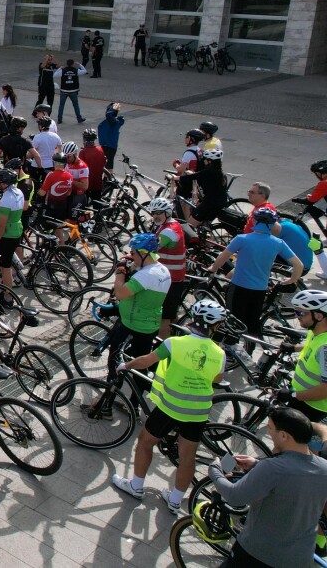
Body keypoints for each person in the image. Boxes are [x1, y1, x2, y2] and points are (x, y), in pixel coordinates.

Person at [110, 299, 230, 515]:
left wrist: (126, 365)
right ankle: (175, 500)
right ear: (216, 326)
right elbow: (217, 378)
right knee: (187, 457)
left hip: (170, 406)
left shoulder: (175, 343)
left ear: (194, 319)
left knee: (145, 442)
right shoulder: (220, 354)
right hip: (198, 411)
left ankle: (136, 486)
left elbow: (147, 361)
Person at [207, 407, 327, 568]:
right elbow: (295, 479)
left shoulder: (273, 468)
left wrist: (215, 472)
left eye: (270, 428)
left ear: (284, 435)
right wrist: (256, 465)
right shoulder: (324, 468)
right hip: (300, 559)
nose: (269, 433)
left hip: (258, 555)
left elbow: (234, 496)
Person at [209, 207, 303, 352]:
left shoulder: (242, 239)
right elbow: (298, 265)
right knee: (252, 321)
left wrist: (213, 269)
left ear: (253, 221)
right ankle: (249, 351)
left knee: (232, 319)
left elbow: (223, 257)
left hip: (239, 286)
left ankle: (230, 350)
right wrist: (292, 280)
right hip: (260, 290)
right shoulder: (278, 243)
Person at [100, 232, 172, 375]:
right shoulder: (162, 270)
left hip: (133, 325)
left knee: (115, 359)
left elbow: (120, 293)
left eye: (133, 253)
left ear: (143, 253)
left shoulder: (146, 275)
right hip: (150, 323)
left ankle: (112, 384)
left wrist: (120, 271)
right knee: (140, 362)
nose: (131, 256)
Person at [145, 198, 190, 339]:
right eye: (153, 213)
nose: (155, 216)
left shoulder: (169, 231)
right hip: (173, 276)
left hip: (170, 278)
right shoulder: (170, 224)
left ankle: (161, 346)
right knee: (171, 314)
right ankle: (175, 339)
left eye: (159, 212)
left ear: (168, 212)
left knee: (164, 317)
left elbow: (150, 249)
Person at [287, 290, 327, 425]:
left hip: (312, 407)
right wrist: (294, 348)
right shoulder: (316, 332)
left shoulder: (325, 347)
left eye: (301, 313)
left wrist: (294, 395)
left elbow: (325, 389)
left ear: (319, 316)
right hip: (302, 398)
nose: (296, 316)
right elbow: (312, 347)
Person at [179, 148, 231, 226]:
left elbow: (191, 177)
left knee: (189, 226)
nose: (204, 161)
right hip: (221, 203)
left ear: (210, 161)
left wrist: (174, 177)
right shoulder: (221, 174)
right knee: (204, 225)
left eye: (205, 159)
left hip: (210, 204)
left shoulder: (208, 172)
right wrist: (193, 174)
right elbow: (199, 175)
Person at [0, 170, 26, 293]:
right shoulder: (19, 192)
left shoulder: (6, 199)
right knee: (10, 261)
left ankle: (7, 295)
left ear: (3, 183)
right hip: (17, 230)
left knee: (5, 267)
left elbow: (1, 225)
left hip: (7, 235)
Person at [54, 58, 86, 124]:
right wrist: (79, 64)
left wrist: (60, 68)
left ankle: (59, 119)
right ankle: (79, 118)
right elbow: (84, 71)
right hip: (73, 90)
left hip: (64, 90)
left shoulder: (63, 70)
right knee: (76, 105)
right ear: (73, 64)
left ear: (67, 64)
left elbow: (55, 75)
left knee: (61, 105)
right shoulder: (76, 70)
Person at [79, 128, 107, 199]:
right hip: (98, 183)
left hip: (86, 183)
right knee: (97, 201)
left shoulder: (83, 152)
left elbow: (79, 167)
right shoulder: (100, 150)